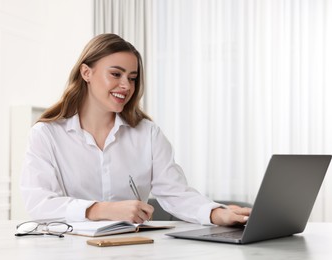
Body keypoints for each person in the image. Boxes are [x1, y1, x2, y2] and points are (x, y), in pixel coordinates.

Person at [20, 33, 251, 226]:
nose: (126, 86)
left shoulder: (148, 134)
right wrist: (102, 209)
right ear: (86, 73)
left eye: (132, 78)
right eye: (116, 74)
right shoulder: (46, 134)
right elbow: (39, 203)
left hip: (133, 249)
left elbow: (176, 194)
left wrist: (215, 214)